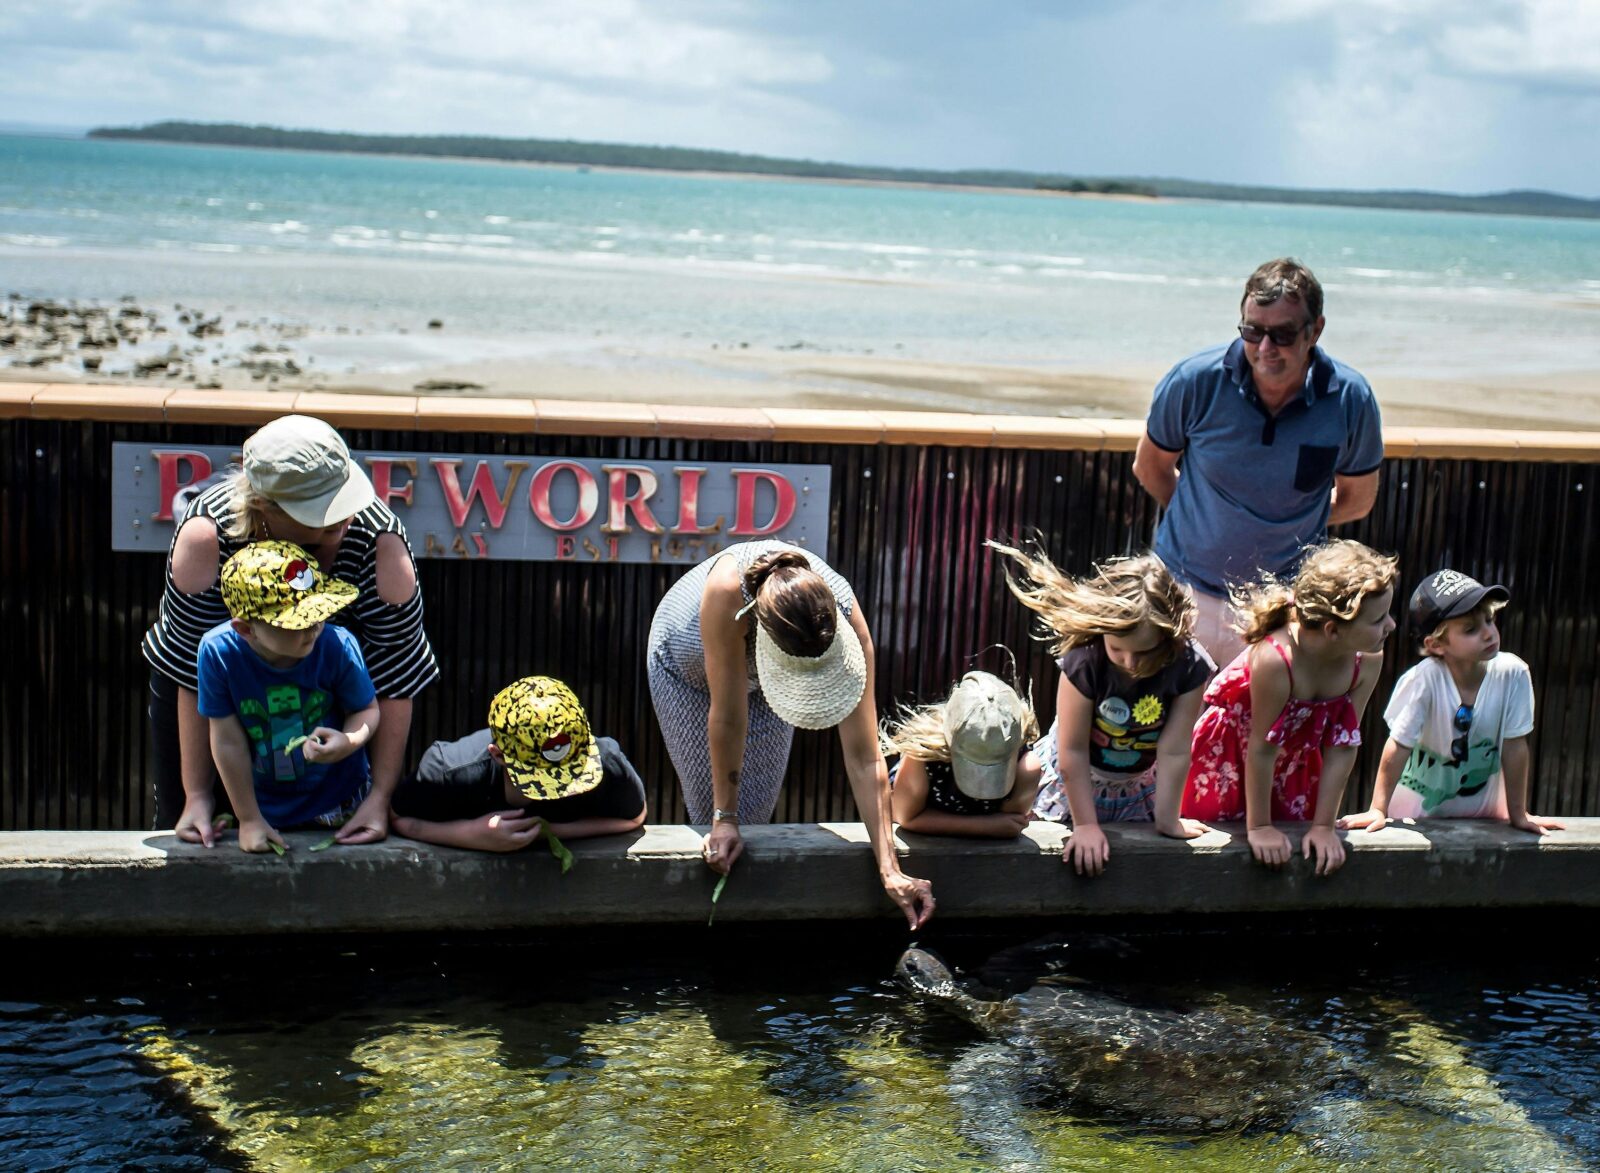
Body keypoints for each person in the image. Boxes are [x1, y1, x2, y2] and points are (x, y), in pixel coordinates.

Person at [142, 414, 438, 847]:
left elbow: (395, 679)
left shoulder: (380, 545)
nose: (346, 517)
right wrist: (197, 794)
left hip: (335, 700)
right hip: (217, 703)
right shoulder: (205, 538)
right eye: (322, 510)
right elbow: (190, 671)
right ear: (265, 507)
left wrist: (380, 797)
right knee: (189, 829)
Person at [646, 540, 935, 929]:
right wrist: (724, 818)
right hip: (686, 667)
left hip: (768, 668)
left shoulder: (846, 613)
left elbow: (866, 757)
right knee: (718, 826)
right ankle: (707, 945)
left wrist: (890, 869)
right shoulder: (727, 594)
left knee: (753, 823)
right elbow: (729, 718)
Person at [1132, 258, 1385, 668]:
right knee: (1166, 728)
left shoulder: (1351, 399)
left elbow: (1358, 500)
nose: (1265, 348)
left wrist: (1285, 525)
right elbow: (1150, 467)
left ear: (1315, 330)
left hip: (1284, 607)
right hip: (1181, 592)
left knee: (1261, 732)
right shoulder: (1194, 381)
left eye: (1282, 334)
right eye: (1253, 331)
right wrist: (1205, 518)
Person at [992, 542, 1214, 876]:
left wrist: (1169, 821)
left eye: (1145, 653)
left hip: (1138, 782)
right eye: (1118, 649)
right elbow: (1073, 750)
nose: (1131, 663)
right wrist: (1084, 825)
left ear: (1170, 639)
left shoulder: (1189, 665)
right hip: (1074, 780)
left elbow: (1175, 750)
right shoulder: (1085, 660)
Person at [1183, 539, 1397, 874]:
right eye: (1379, 619)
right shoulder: (1276, 659)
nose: (1391, 626)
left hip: (1294, 764)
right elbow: (1262, 749)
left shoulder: (1367, 659)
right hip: (1229, 758)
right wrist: (1260, 828)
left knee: (1291, 859)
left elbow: (1342, 744)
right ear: (1333, 630)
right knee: (1217, 858)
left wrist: (1324, 826)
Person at [1339, 570, 1563, 836]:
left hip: (1487, 818)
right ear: (1436, 644)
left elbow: (1515, 746)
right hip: (1417, 818)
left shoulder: (1513, 673)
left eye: (1490, 620)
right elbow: (1398, 745)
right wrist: (1378, 809)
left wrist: (1519, 814)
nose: (1489, 633)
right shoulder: (1424, 680)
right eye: (1471, 629)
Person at [198, 541, 381, 854]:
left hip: (341, 802)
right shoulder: (219, 654)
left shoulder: (337, 646)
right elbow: (227, 740)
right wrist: (248, 818)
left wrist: (348, 742)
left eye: (318, 613)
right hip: (263, 806)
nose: (313, 628)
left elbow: (367, 709)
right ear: (245, 629)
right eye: (298, 622)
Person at [391, 676, 647, 851]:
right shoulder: (448, 770)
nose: (558, 789)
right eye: (543, 778)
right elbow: (400, 818)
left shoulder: (607, 765)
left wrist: (547, 832)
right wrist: (470, 835)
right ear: (498, 755)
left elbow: (635, 816)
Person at [884, 671, 1043, 838]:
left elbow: (1009, 825)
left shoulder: (1025, 767)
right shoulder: (922, 755)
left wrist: (996, 827)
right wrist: (984, 827)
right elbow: (906, 817)